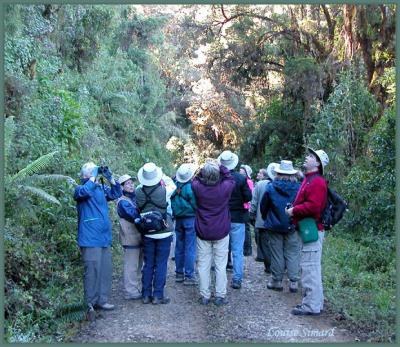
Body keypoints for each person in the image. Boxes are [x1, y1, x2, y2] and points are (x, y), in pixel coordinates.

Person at [73, 162, 122, 320]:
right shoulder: (80, 189)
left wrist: (110, 177)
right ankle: (89, 304)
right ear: (84, 175)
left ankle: (102, 300)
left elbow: (116, 193)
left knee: (105, 270)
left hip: (103, 237)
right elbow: (85, 191)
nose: (94, 173)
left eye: (93, 171)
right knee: (92, 272)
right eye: (90, 171)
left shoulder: (100, 188)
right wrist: (93, 177)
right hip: (89, 238)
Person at [286, 148, 329, 316]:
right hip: (308, 228)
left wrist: (294, 211)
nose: (307, 157)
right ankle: (314, 303)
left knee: (310, 267)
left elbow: (314, 207)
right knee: (311, 267)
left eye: (311, 156)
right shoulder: (309, 179)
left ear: (317, 163)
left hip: (312, 229)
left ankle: (311, 306)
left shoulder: (317, 181)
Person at [191, 159, 235, 306]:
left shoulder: (197, 187)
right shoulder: (225, 188)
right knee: (220, 265)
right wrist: (220, 166)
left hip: (203, 230)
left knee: (203, 264)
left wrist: (203, 169)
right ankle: (220, 296)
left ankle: (204, 295)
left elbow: (195, 178)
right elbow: (229, 177)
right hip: (221, 231)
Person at [260, 160, 301, 292]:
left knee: (277, 253)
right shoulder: (299, 187)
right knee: (293, 253)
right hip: (293, 224)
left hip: (275, 225)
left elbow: (264, 206)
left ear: (278, 172)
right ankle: (294, 282)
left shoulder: (271, 187)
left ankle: (277, 281)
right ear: (293, 174)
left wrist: (267, 218)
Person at [136, 162, 173, 305]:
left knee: (148, 263)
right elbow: (173, 184)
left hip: (147, 232)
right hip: (164, 231)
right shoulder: (165, 190)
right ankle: (158, 295)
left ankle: (146, 294)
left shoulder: (138, 191)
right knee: (161, 263)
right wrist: (162, 174)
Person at [218, 151, 252, 290]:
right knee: (237, 250)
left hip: (221, 217)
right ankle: (237, 278)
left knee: (222, 248)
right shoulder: (240, 178)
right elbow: (248, 197)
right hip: (238, 217)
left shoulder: (218, 178)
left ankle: (221, 278)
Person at [116, 174, 142, 300]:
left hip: (136, 237)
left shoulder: (133, 199)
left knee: (138, 264)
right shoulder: (122, 202)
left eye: (132, 183)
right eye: (127, 184)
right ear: (121, 187)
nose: (131, 185)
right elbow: (133, 215)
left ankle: (136, 288)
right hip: (129, 237)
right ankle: (130, 291)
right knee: (131, 265)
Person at [171, 163, 198, 285]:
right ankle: (189, 275)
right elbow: (196, 204)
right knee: (190, 247)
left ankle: (179, 273)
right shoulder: (191, 187)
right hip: (190, 219)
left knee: (179, 246)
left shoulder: (176, 187)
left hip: (178, 219)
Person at [250, 163, 278, 272]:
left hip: (262, 220)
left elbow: (255, 201)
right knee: (277, 244)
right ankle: (278, 267)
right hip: (278, 221)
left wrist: (252, 215)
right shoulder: (283, 184)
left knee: (265, 244)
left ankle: (268, 266)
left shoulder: (261, 184)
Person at [239, 164, 254, 257]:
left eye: (243, 172)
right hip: (241, 207)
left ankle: (247, 249)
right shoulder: (241, 180)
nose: (241, 173)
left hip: (245, 208)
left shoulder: (249, 182)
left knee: (246, 228)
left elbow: (249, 195)